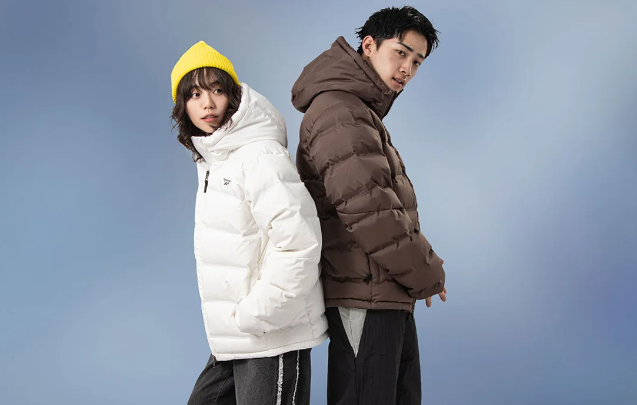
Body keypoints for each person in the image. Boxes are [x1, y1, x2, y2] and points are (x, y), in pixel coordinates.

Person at [291, 6, 447, 405]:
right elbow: (369, 209)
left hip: (385, 293)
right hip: (364, 294)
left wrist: (418, 273)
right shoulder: (339, 111)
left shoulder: (360, 111)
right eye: (401, 53)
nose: (407, 69)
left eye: (417, 61)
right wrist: (426, 270)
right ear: (369, 45)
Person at [171, 40, 328, 405]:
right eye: (195, 94)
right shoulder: (214, 160)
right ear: (182, 105)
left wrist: (255, 315)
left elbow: (300, 242)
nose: (208, 104)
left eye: (216, 90)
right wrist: (239, 323)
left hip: (272, 336)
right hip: (234, 339)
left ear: (233, 95)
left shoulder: (259, 155)